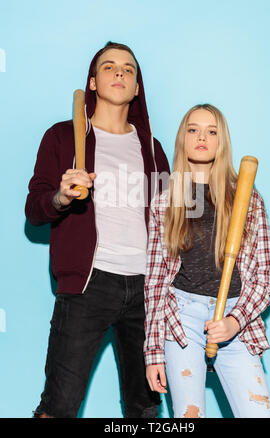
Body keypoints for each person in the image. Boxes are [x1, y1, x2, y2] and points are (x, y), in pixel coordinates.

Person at [25, 41, 170, 418]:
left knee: (145, 411)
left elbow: (170, 222)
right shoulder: (61, 137)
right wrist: (61, 195)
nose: (119, 72)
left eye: (128, 68)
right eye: (108, 66)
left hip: (147, 289)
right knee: (58, 407)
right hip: (88, 285)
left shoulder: (152, 149)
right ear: (92, 82)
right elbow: (35, 209)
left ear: (137, 87)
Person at [144, 104, 270, 418]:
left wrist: (235, 321)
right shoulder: (165, 200)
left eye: (212, 130)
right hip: (181, 321)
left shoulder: (246, 197)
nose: (202, 136)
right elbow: (153, 282)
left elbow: (266, 272)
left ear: (222, 141)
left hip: (235, 318)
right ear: (182, 139)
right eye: (193, 129)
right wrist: (153, 353)